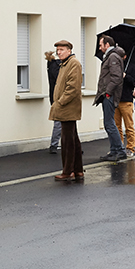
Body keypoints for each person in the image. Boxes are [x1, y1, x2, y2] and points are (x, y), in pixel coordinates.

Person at [48, 40, 84, 182]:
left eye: (62, 49)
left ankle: (68, 171)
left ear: (69, 50)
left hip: (68, 107)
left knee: (67, 140)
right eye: (58, 50)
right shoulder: (65, 63)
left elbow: (72, 87)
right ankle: (78, 170)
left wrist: (61, 102)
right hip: (66, 106)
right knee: (73, 138)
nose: (59, 52)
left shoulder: (73, 64)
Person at [94, 35, 126, 161]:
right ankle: (114, 151)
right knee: (108, 124)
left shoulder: (112, 57)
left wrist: (107, 92)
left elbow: (116, 77)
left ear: (107, 45)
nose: (99, 47)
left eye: (101, 44)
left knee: (110, 123)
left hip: (109, 95)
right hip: (108, 94)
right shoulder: (111, 56)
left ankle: (120, 150)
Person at [114, 49, 135, 157]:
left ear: (125, 56)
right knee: (117, 126)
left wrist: (125, 76)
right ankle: (119, 146)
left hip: (127, 100)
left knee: (129, 126)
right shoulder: (115, 66)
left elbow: (134, 83)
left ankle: (130, 148)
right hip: (116, 99)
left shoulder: (131, 67)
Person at [45, 51, 62, 154]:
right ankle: (54, 145)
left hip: (54, 97)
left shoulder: (51, 65)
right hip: (59, 98)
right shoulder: (57, 66)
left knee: (60, 122)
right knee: (61, 122)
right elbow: (60, 81)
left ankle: (54, 145)